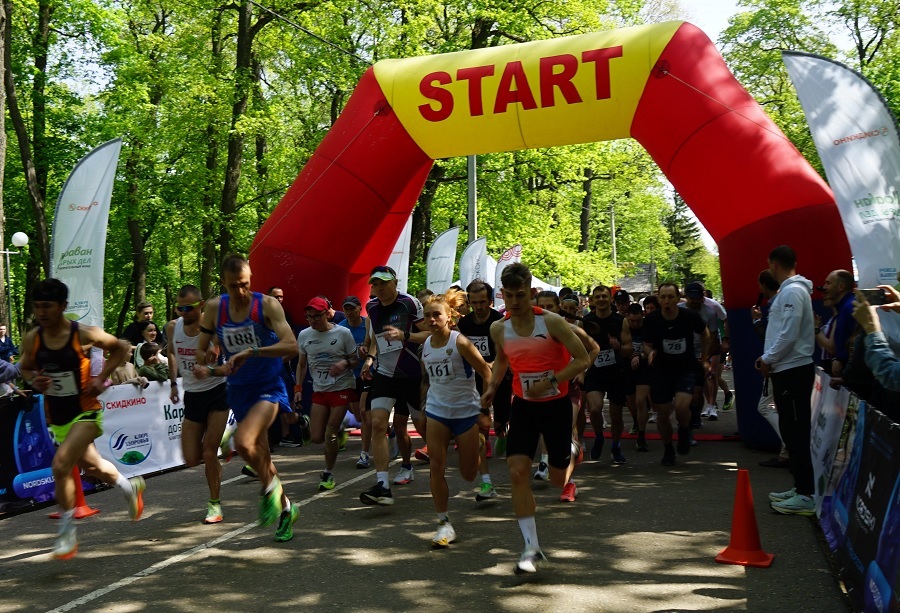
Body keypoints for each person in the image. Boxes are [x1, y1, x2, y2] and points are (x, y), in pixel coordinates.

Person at [18, 278, 145, 559]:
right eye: (37, 307)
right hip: (57, 418)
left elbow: (121, 348)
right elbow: (25, 367)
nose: (42, 313)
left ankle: (66, 534)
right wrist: (34, 379)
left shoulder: (83, 334)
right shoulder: (34, 338)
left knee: (61, 465)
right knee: (94, 467)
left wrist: (102, 378)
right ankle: (130, 487)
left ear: (63, 306)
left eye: (48, 307)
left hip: (86, 412)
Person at [481, 263, 591, 574]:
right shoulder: (499, 329)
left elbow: (582, 359)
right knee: (517, 472)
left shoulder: (552, 323)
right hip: (524, 406)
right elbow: (503, 359)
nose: (515, 302)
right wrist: (491, 388)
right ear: (502, 295)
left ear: (531, 293)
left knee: (558, 480)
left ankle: (569, 452)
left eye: (520, 295)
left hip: (555, 406)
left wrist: (552, 381)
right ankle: (530, 546)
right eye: (509, 296)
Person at [193, 254, 301, 541]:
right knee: (262, 456)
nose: (240, 291)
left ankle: (270, 490)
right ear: (223, 284)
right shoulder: (216, 308)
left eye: (244, 284)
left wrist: (251, 352)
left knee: (242, 442)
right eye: (233, 286)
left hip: (268, 387)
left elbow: (291, 346)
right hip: (238, 390)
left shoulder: (266, 304)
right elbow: (201, 352)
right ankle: (287, 508)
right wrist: (210, 363)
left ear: (250, 279)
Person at [420, 289, 493, 546]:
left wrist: (485, 408)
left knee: (469, 474)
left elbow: (486, 372)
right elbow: (427, 379)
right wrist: (422, 404)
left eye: (436, 315)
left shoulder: (459, 342)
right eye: (427, 315)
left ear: (448, 316)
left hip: (465, 412)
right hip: (437, 412)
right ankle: (443, 523)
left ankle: (479, 445)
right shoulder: (426, 346)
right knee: (436, 466)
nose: (431, 320)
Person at [359, 265, 429, 505]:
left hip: (411, 375)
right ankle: (382, 485)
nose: (380, 288)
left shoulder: (409, 303)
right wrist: (368, 359)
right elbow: (374, 340)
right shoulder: (371, 307)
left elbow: (430, 333)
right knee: (378, 423)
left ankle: (434, 461)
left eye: (384, 283)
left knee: (418, 426)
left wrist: (405, 336)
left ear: (395, 282)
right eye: (375, 284)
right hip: (385, 374)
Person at [757, 245, 816, 517]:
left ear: (774, 264)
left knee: (796, 432)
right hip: (786, 370)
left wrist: (768, 358)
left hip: (793, 370)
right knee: (792, 432)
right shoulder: (790, 291)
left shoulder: (793, 291)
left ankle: (806, 494)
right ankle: (800, 487)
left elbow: (789, 333)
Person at [166, 284, 231, 525]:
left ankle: (214, 504)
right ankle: (227, 438)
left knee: (208, 451)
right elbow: (172, 354)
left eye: (189, 307)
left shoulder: (212, 327)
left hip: (217, 391)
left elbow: (218, 352)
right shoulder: (173, 327)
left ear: (201, 305)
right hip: (192, 394)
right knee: (191, 459)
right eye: (180, 307)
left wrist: (211, 361)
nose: (184, 312)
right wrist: (173, 383)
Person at [295, 297, 359, 492]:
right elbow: (301, 364)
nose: (312, 320)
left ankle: (328, 473)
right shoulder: (305, 335)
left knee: (330, 432)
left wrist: (344, 364)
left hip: (342, 386)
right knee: (316, 438)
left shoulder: (343, 333)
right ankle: (333, 427)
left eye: (316, 316)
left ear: (327, 314)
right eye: (308, 317)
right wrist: (298, 388)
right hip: (320, 389)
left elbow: (355, 359)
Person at [642, 282, 709, 467]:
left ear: (677, 298)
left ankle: (684, 430)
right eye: (663, 297)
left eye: (670, 297)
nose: (666, 301)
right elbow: (646, 344)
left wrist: (704, 358)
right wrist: (650, 353)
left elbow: (705, 334)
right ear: (658, 299)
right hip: (661, 371)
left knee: (680, 407)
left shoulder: (689, 316)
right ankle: (668, 448)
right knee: (663, 413)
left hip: (685, 369)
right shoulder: (652, 319)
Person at [584, 285, 632, 464]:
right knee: (595, 409)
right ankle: (599, 437)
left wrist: (618, 346)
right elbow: (579, 348)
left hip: (616, 372)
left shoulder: (620, 321)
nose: (601, 300)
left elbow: (629, 349)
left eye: (604, 296)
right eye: (598, 297)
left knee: (616, 414)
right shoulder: (586, 321)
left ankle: (616, 445)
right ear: (593, 300)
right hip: (595, 372)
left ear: (610, 299)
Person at [751, 270, 790, 468]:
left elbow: (774, 337)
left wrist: (757, 321)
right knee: (779, 407)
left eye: (760, 285)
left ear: (764, 286)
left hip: (777, 364)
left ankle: (789, 445)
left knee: (765, 406)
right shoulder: (780, 302)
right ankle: (786, 451)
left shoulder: (777, 305)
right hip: (777, 362)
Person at [338, 296, 371, 468]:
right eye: (346, 309)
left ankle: (364, 455)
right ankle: (387, 430)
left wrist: (368, 355)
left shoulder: (367, 325)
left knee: (364, 413)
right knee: (359, 416)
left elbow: (375, 347)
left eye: (352, 308)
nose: (349, 312)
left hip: (367, 374)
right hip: (350, 377)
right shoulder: (341, 328)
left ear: (360, 308)